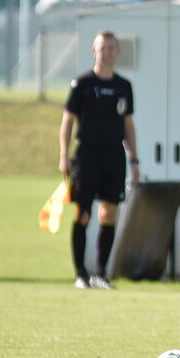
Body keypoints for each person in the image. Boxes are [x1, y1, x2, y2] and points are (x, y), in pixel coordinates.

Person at [59, 30, 141, 290]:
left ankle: (100, 273)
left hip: (113, 155)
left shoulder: (123, 86)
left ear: (117, 52)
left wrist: (135, 161)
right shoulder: (82, 84)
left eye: (110, 48)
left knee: (109, 213)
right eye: (101, 48)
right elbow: (67, 121)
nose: (106, 53)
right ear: (94, 51)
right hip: (87, 154)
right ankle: (80, 273)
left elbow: (128, 125)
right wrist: (64, 155)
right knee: (83, 214)